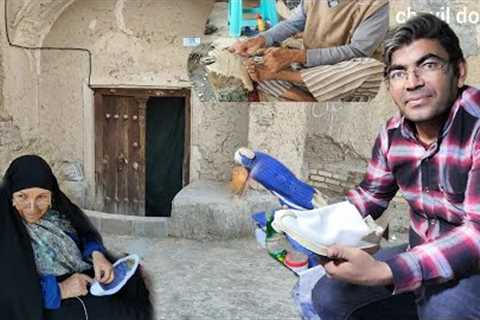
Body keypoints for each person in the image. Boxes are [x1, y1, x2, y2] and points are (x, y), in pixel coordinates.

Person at [307, 13, 480, 319]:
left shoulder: (476, 126)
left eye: (428, 65)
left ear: (459, 71)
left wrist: (387, 270)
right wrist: (310, 225)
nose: (412, 83)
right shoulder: (392, 134)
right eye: (399, 73)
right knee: (329, 295)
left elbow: (477, 235)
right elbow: (371, 196)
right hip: (423, 252)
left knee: (444, 310)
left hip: (474, 266)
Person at [0, 155, 152, 320]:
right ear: (10, 195)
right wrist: (60, 290)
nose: (32, 208)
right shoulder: (5, 228)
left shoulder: (59, 212)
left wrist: (97, 254)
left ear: (51, 195)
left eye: (41, 197)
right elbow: (8, 290)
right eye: (22, 197)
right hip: (42, 299)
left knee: (133, 282)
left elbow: (84, 233)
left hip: (83, 279)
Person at [230, 0, 389, 102]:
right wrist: (261, 39)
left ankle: (282, 77)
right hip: (308, 71)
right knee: (253, 70)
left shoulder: (378, 6)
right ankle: (307, 98)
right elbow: (292, 24)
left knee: (371, 69)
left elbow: (358, 51)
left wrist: (296, 56)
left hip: (340, 73)